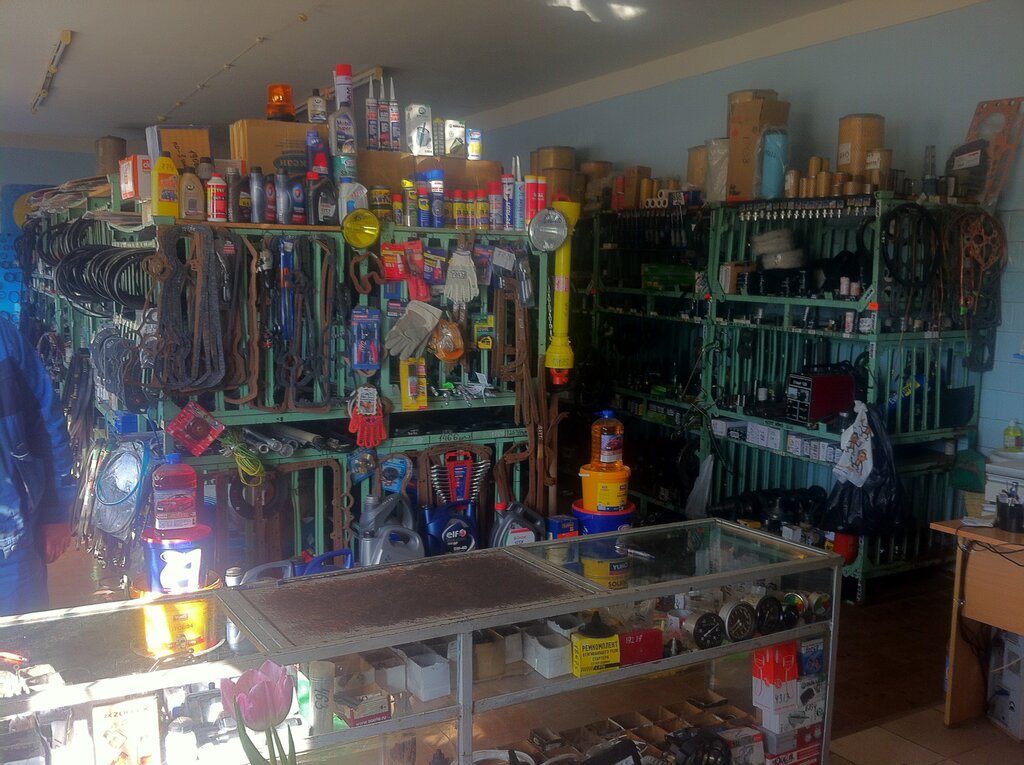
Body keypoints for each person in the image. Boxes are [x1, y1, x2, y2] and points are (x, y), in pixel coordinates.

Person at [0, 316, 76, 616]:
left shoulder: (3, 338)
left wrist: (55, 512)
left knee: (23, 638)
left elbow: (45, 424)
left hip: (10, 539)